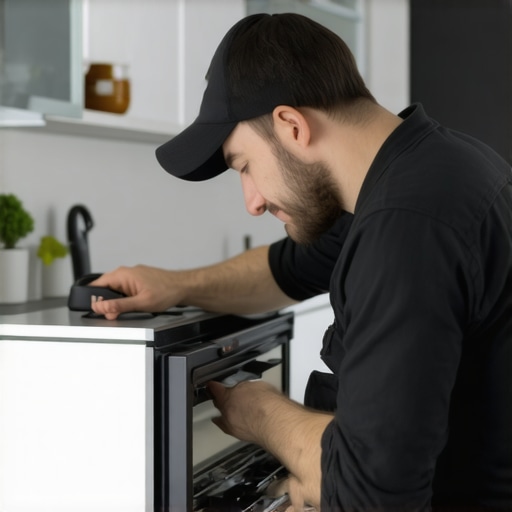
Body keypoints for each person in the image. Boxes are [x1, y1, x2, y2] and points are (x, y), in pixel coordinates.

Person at [91, 12, 512, 512]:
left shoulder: (407, 223)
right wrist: (175, 286)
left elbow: (374, 493)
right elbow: (285, 269)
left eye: (244, 166)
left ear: (291, 125)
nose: (251, 200)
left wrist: (261, 412)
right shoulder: (422, 171)